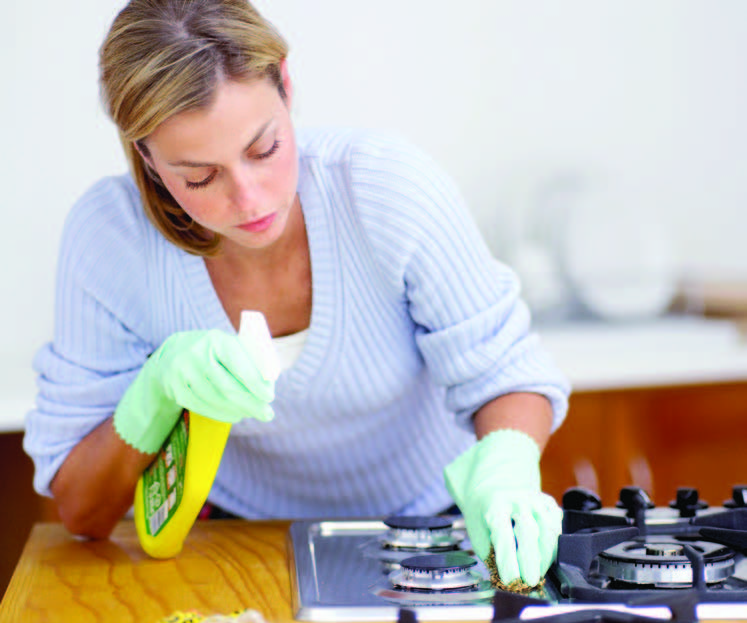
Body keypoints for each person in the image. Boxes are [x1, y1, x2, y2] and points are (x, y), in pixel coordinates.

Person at [23, 0, 570, 587]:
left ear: (284, 83)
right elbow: (81, 511)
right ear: (148, 160)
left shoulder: (386, 189)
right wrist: (153, 394)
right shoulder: (111, 240)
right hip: (233, 539)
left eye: (265, 149)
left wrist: (506, 471)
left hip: (430, 527)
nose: (251, 199)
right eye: (199, 177)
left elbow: (506, 372)